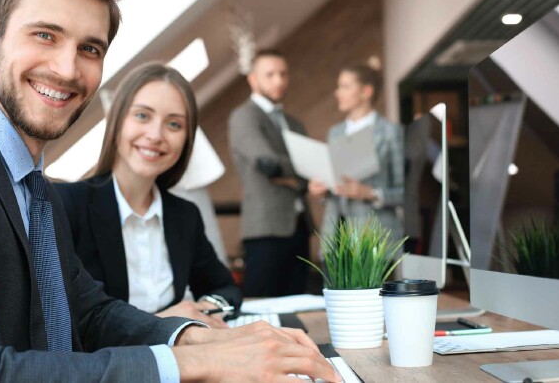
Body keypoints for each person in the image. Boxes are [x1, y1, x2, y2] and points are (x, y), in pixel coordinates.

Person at [0, 0, 341, 381]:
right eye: (45, 35)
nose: (66, 69)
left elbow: (88, 311)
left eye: (90, 49)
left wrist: (214, 337)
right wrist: (196, 361)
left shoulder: (34, 185)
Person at [55, 63, 240, 328]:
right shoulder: (68, 204)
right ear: (117, 121)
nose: (155, 135)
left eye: (174, 124)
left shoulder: (184, 215)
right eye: (142, 116)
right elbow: (69, 323)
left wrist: (208, 308)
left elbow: (225, 288)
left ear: (186, 140)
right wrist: (163, 323)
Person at [228, 49, 312, 297]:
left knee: (298, 302)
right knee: (262, 302)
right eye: (270, 74)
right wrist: (301, 170)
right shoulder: (244, 116)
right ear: (253, 79)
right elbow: (267, 163)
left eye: (283, 74)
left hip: (299, 226)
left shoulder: (294, 122)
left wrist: (292, 177)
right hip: (265, 228)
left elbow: (307, 173)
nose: (279, 80)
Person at [309, 65, 404, 242]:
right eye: (339, 87)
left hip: (375, 238)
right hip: (336, 236)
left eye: (345, 87)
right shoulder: (335, 133)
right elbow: (334, 187)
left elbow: (405, 191)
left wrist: (369, 192)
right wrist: (321, 191)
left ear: (366, 91)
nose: (338, 93)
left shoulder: (390, 132)